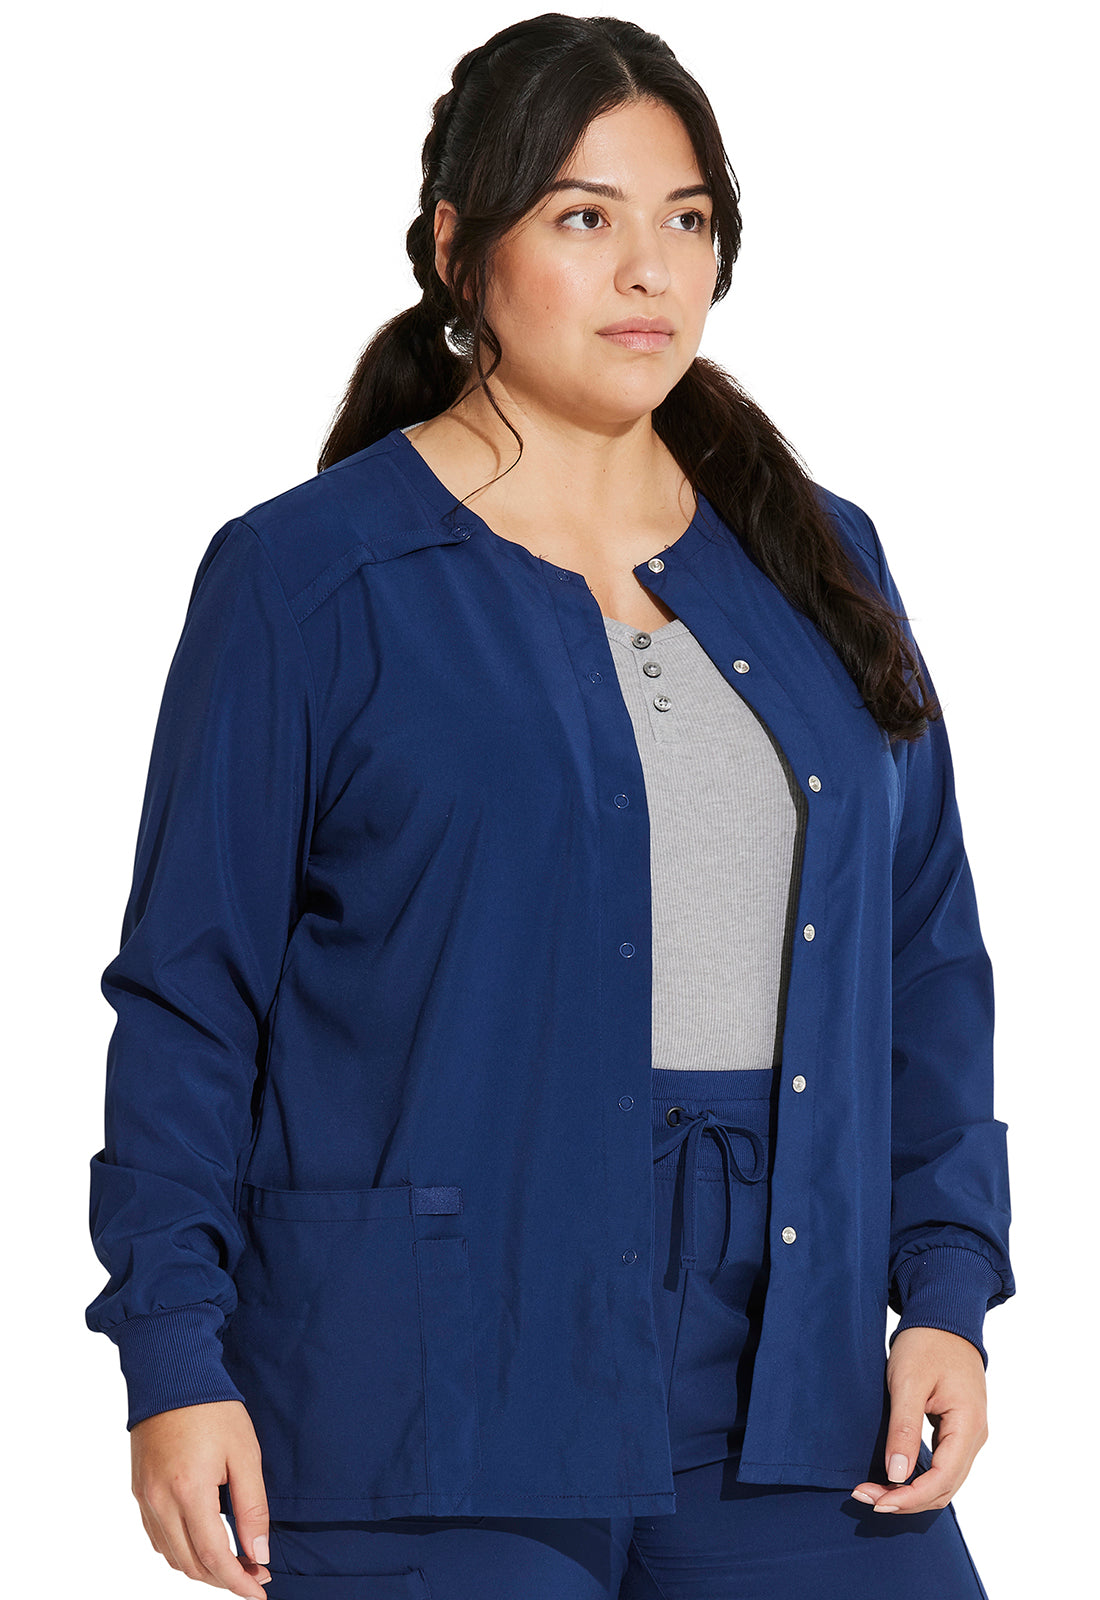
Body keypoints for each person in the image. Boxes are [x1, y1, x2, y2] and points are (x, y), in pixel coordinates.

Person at [84, 13, 1014, 1599]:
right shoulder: (307, 579)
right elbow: (193, 997)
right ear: (460, 246)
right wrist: (174, 1355)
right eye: (586, 218)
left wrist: (945, 1287)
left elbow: (925, 959)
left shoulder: (821, 557)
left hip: (789, 1390)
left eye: (689, 220)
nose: (652, 271)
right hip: (430, 1387)